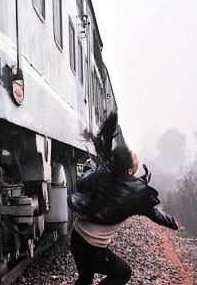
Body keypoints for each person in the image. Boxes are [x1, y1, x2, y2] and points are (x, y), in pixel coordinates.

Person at [68, 113, 179, 285]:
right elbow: (154, 213)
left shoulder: (103, 174)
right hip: (92, 248)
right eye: (134, 157)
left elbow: (82, 183)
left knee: (85, 278)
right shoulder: (135, 192)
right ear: (129, 171)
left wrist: (91, 166)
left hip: (77, 239)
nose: (136, 157)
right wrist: (171, 222)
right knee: (122, 273)